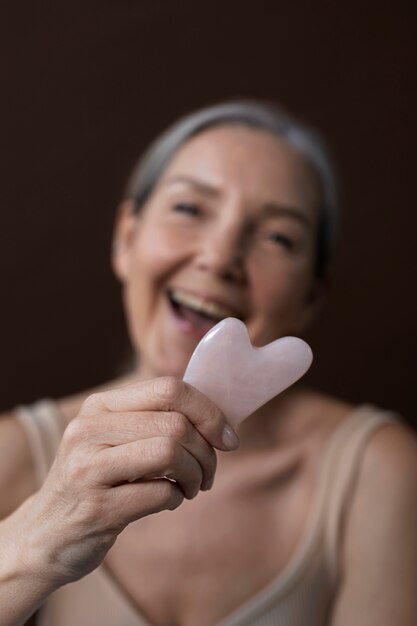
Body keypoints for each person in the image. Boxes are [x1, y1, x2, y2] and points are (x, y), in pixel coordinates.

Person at [0, 101, 416, 626]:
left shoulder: (376, 471)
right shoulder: (14, 453)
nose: (220, 257)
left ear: (312, 295)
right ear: (126, 238)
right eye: (190, 209)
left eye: (278, 237)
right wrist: (39, 542)